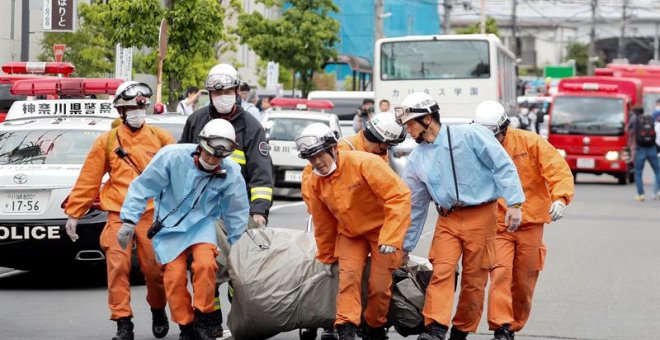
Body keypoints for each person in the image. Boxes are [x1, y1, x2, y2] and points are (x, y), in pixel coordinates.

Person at [396, 92, 525, 340]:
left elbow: (503, 164)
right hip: (448, 220)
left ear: (427, 119)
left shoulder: (471, 134)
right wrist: (405, 245)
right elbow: (415, 206)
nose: (408, 131)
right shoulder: (416, 160)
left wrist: (514, 203)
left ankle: (462, 329)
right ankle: (434, 328)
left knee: (474, 280)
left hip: (481, 215)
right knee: (441, 271)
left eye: (410, 124)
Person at [64, 81, 175, 340]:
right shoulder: (106, 141)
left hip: (151, 214)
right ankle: (123, 322)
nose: (137, 112)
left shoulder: (162, 139)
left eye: (141, 107)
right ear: (120, 112)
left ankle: (158, 308)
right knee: (117, 267)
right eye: (130, 108)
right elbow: (89, 179)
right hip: (117, 213)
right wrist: (74, 213)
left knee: (154, 270)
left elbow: (177, 176)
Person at [118, 119, 249, 340]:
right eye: (208, 154)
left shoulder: (230, 172)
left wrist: (238, 246)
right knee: (174, 277)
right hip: (169, 226)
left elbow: (236, 211)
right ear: (200, 144)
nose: (211, 160)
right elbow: (142, 187)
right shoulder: (172, 157)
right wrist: (129, 220)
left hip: (202, 225)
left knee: (206, 265)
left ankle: (202, 317)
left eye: (218, 157)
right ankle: (186, 326)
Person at [179, 63, 273, 336]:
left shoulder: (251, 126)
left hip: (237, 212)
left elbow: (261, 173)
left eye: (228, 90)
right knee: (203, 266)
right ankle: (210, 319)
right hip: (201, 210)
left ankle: (239, 310)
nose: (222, 96)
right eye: (216, 92)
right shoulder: (196, 121)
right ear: (209, 93)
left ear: (236, 91)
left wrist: (259, 210)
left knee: (238, 269)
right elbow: (182, 162)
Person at [298, 123, 411, 340]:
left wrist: (392, 237)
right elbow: (324, 224)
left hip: (381, 231)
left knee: (379, 286)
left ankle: (375, 327)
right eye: (311, 159)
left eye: (320, 155)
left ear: (333, 149)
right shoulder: (315, 181)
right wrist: (327, 256)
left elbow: (399, 196)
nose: (317, 163)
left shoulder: (365, 163)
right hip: (350, 233)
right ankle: (346, 326)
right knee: (348, 279)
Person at [473, 100, 574, 340]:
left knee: (524, 282)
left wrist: (560, 198)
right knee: (500, 274)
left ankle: (514, 323)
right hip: (498, 225)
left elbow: (557, 169)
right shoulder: (475, 147)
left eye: (495, 135)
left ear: (504, 128)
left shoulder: (530, 142)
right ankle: (501, 327)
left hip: (531, 224)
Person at [627, 106, 660, 201]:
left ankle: (640, 194)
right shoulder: (650, 118)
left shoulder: (634, 119)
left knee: (638, 172)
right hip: (651, 148)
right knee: (657, 170)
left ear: (634, 112)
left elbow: (629, 130)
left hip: (640, 148)